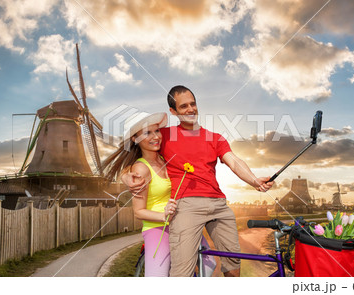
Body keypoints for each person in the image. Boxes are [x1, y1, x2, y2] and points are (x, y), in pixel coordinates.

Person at [125, 86, 274, 277]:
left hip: (219, 204)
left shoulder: (215, 138)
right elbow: (140, 153)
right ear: (174, 111)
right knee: (183, 271)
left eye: (193, 104)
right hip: (186, 205)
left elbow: (234, 161)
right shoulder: (165, 136)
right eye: (184, 106)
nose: (190, 109)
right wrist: (126, 174)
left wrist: (254, 180)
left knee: (232, 262)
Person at [102, 111, 215, 277]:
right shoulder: (140, 169)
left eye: (156, 131)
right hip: (157, 229)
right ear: (135, 139)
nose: (156, 136)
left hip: (182, 226)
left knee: (209, 263)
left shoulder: (165, 158)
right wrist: (164, 216)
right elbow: (138, 212)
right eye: (147, 133)